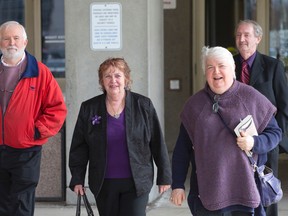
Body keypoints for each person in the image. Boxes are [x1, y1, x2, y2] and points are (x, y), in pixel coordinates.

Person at [170, 46, 282, 216]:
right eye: (210, 67)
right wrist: (177, 184)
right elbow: (181, 150)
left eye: (221, 65)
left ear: (233, 68)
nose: (216, 71)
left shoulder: (251, 97)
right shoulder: (194, 105)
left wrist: (254, 142)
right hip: (208, 195)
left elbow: (275, 133)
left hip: (246, 190)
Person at [69, 57, 172, 216]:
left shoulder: (143, 105)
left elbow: (157, 142)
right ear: (102, 81)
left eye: (117, 75)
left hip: (137, 182)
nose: (113, 81)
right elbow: (79, 147)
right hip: (104, 183)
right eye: (107, 76)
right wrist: (77, 178)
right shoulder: (89, 108)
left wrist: (164, 176)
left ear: (126, 79)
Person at [0, 21, 67, 216]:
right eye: (6, 38)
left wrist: (35, 131)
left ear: (25, 42)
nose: (11, 43)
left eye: (16, 38)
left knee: (22, 204)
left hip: (25, 150)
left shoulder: (40, 72)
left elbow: (57, 109)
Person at [234, 19, 288, 216]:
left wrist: (275, 139)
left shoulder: (273, 66)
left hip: (266, 142)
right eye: (239, 35)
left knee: (266, 193)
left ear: (258, 38)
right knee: (238, 192)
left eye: (247, 35)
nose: (242, 39)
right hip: (235, 143)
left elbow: (284, 107)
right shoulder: (228, 65)